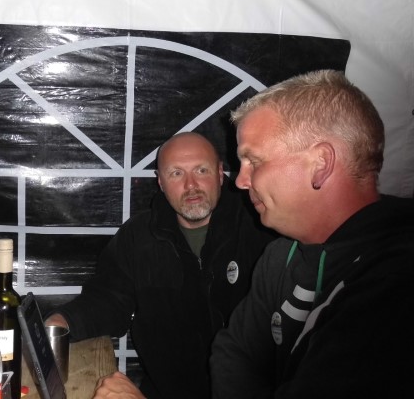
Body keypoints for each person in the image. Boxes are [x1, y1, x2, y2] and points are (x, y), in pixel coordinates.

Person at [208, 70, 414, 398]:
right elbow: (234, 352)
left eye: (254, 161)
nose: (241, 181)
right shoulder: (280, 256)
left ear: (320, 164)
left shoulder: (396, 278)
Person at [46, 132, 275, 398]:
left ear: (220, 174)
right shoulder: (139, 235)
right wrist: (63, 321)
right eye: (176, 174)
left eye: (201, 170)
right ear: (161, 182)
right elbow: (109, 300)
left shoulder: (259, 229)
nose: (191, 185)